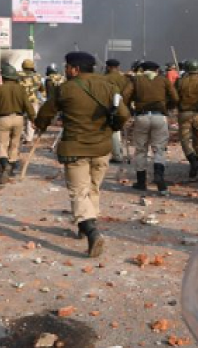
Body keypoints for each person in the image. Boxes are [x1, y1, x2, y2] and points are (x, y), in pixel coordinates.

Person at [35, 52, 129, 257]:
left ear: (75, 69)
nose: (66, 70)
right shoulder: (109, 86)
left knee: (78, 192)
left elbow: (45, 113)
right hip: (102, 148)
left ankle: (91, 231)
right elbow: (123, 113)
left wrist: (40, 126)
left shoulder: (65, 89)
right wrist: (113, 127)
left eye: (67, 67)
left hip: (75, 149)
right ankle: (86, 223)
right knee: (93, 188)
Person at [122, 60, 179, 193]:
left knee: (141, 149)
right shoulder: (163, 80)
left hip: (141, 117)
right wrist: (167, 107)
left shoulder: (136, 80)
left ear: (142, 69)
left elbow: (125, 96)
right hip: (159, 117)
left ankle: (141, 182)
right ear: (157, 70)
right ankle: (159, 177)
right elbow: (175, 98)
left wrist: (131, 109)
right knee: (159, 149)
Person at [0, 64, 35, 178]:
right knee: (15, 143)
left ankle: (5, 165)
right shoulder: (21, 89)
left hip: (3, 119)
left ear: (3, 77)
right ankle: (12, 165)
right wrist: (33, 119)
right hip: (18, 119)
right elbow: (28, 106)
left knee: (2, 145)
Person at [175, 58, 198, 177]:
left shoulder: (180, 82)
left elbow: (174, 96)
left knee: (184, 140)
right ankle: (197, 159)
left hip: (184, 113)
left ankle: (192, 161)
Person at [104, 59, 130, 163]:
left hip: (110, 106)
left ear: (108, 67)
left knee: (113, 130)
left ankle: (116, 154)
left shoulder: (104, 78)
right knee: (118, 129)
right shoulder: (124, 78)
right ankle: (118, 152)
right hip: (123, 106)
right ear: (118, 67)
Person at [18, 59, 44, 143]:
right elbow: (41, 88)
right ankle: (28, 138)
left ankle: (19, 135)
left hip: (20, 100)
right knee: (31, 119)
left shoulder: (17, 75)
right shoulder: (37, 76)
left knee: (19, 117)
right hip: (33, 100)